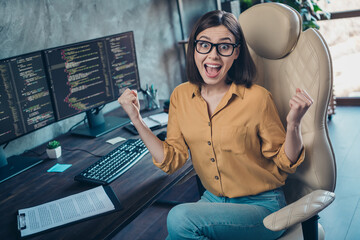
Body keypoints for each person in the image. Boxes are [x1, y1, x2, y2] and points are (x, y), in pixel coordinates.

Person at [118, 10, 313, 240]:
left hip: (262, 207)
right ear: (194, 49)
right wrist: (136, 119)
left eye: (224, 46)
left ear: (236, 53)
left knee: (180, 219)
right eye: (204, 45)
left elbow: (286, 163)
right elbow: (171, 160)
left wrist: (294, 124)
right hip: (213, 201)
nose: (213, 56)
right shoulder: (180, 96)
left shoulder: (258, 98)